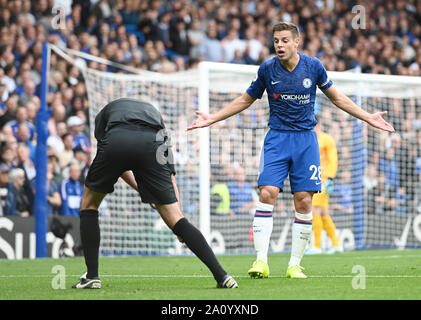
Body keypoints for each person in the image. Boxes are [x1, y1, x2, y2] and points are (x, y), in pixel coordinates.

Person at [187, 22, 395, 279]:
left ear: (297, 42)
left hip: (306, 140)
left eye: (285, 40)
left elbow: (337, 98)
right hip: (277, 138)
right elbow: (245, 99)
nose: (280, 45)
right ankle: (260, 262)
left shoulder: (314, 67)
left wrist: (367, 118)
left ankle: (294, 264)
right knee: (267, 192)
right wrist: (212, 118)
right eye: (276, 40)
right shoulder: (267, 69)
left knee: (304, 200)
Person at [72, 97, 238, 289]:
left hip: (118, 139)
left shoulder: (106, 113)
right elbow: (171, 177)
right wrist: (177, 216)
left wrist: (141, 188)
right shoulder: (158, 120)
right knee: (176, 218)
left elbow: (116, 159)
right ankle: (222, 276)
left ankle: (92, 276)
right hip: (153, 142)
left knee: (89, 204)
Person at [306, 118, 341, 254]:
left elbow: (333, 160)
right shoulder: (309, 139)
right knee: (324, 213)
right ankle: (336, 244)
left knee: (314, 210)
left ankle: (316, 246)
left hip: (324, 180)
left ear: (318, 124)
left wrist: (330, 178)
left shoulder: (327, 139)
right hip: (313, 179)